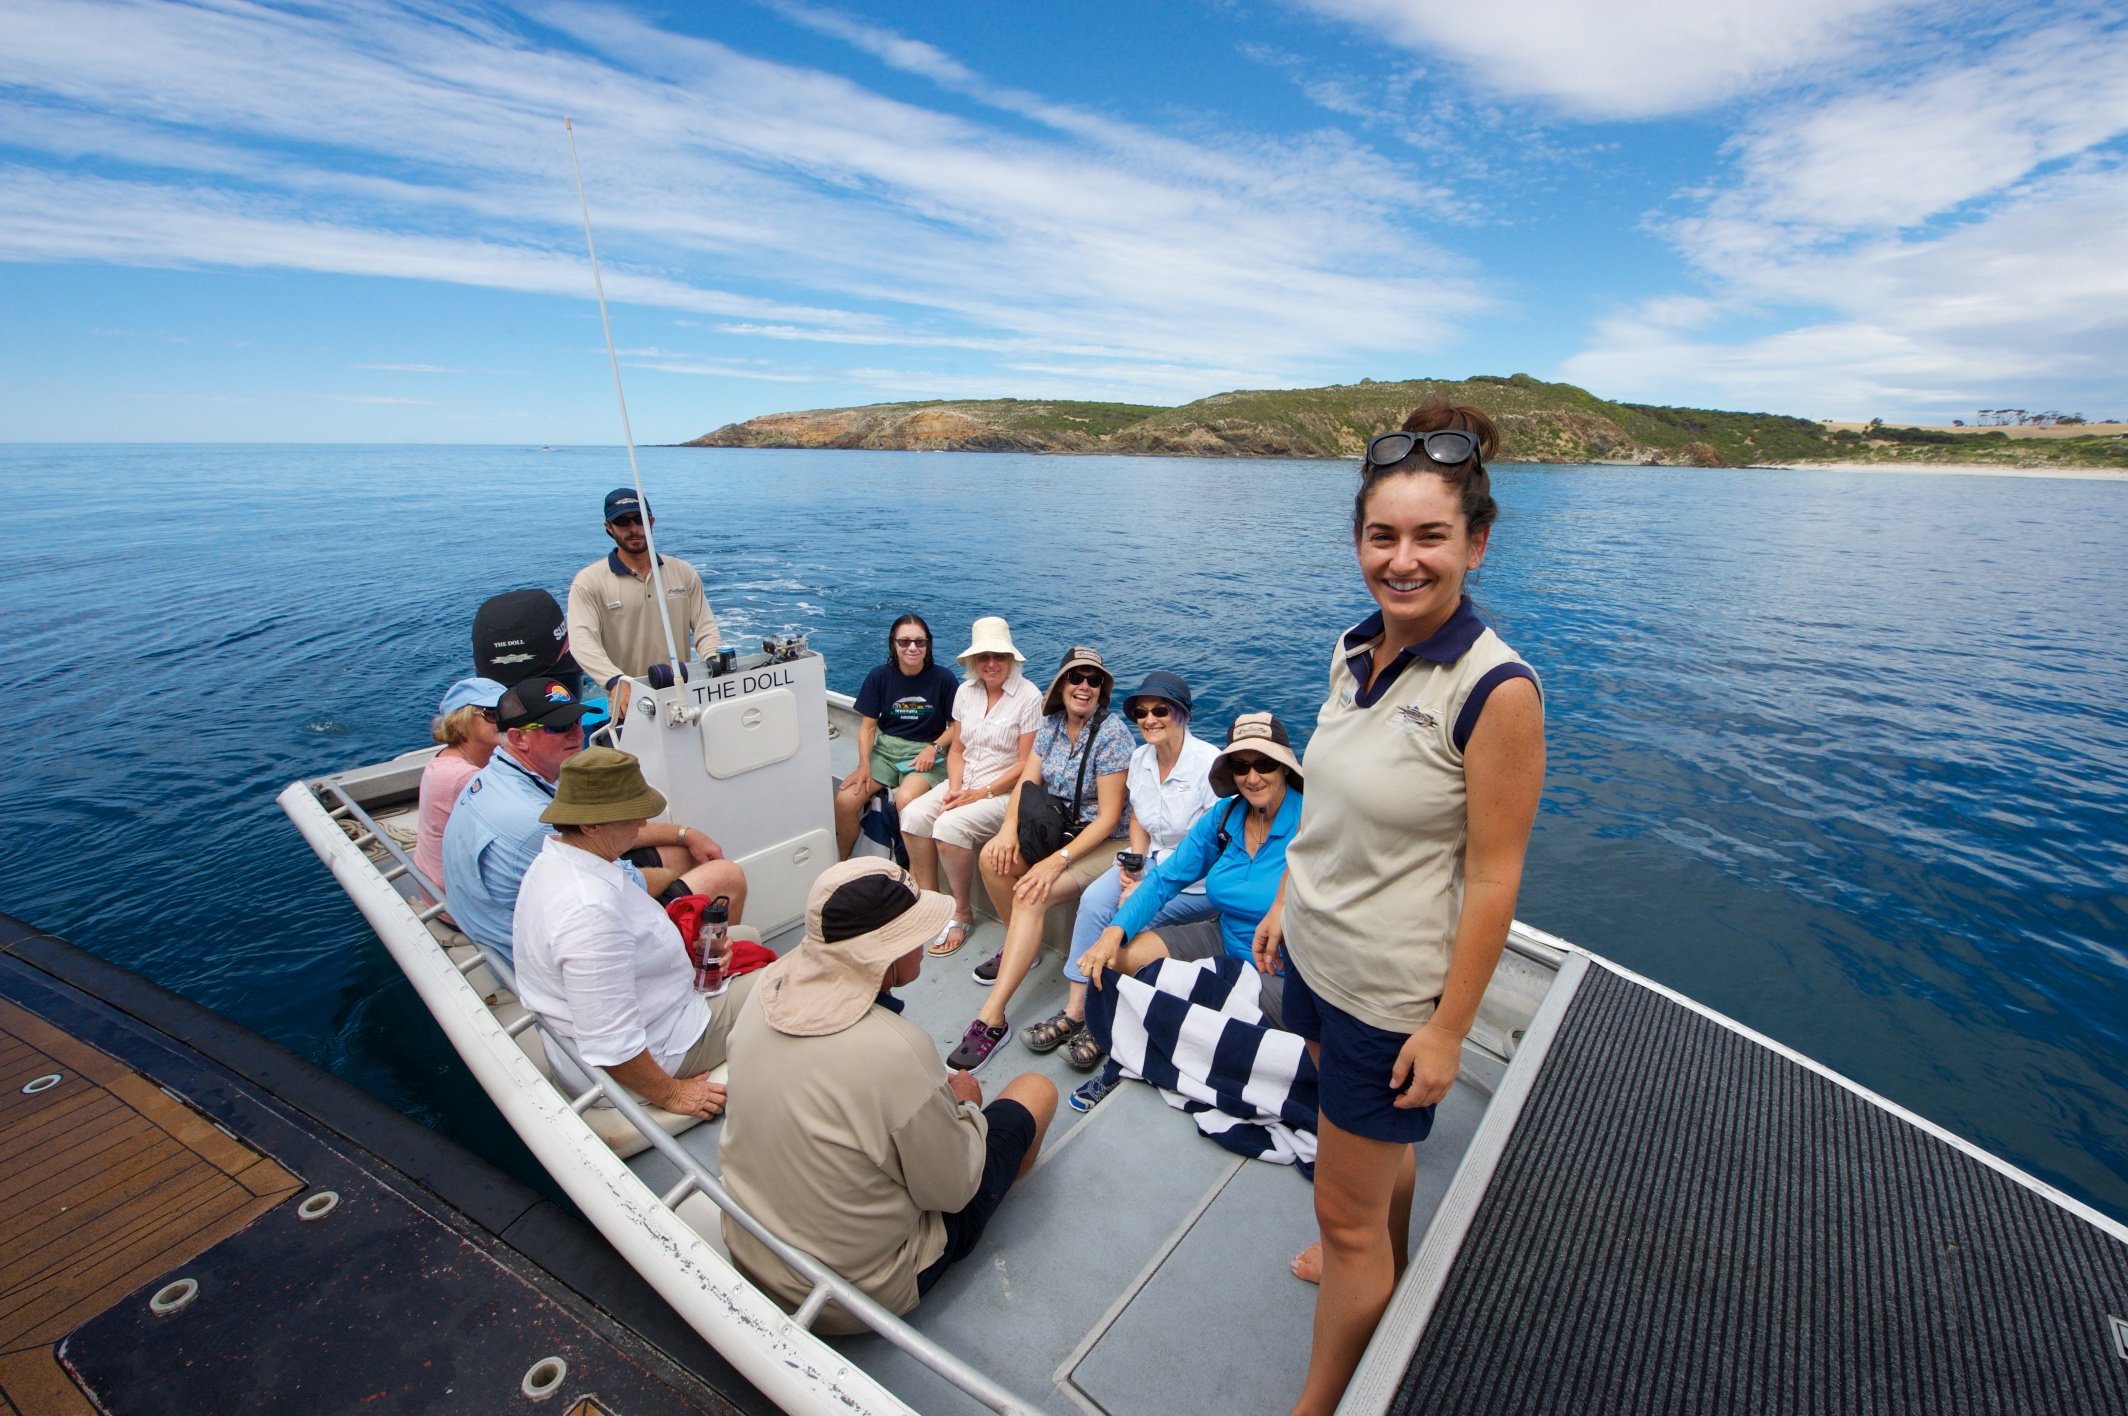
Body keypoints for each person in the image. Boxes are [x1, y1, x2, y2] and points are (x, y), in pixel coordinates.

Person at [1252, 404, 1544, 1416]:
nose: (1404, 561)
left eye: (1430, 537)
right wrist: (1290, 897)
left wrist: (1449, 1028)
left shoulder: (1493, 690)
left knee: (1341, 1225)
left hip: (1388, 995)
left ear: (1476, 543)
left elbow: (1496, 879)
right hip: (1318, 962)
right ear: (1358, 541)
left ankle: (1324, 1396)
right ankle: (1382, 1251)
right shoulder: (1353, 648)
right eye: (1383, 536)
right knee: (1369, 1189)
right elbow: (1330, 804)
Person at [718, 858, 1057, 1333]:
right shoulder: (897, 1049)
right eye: (914, 933)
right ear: (886, 954)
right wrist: (966, 1107)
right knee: (1035, 1092)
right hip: (851, 1295)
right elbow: (954, 1189)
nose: (923, 942)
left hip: (748, 1241)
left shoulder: (764, 989)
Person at [510, 747, 757, 1120]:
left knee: (747, 937)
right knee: (798, 979)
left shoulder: (559, 864)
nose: (643, 821)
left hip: (659, 1013)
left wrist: (689, 950)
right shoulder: (589, 912)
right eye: (632, 812)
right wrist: (672, 1093)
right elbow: (611, 1041)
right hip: (661, 1053)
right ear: (592, 825)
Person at [1071, 711, 1305, 1104]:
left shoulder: (1312, 821)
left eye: (1264, 764)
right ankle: (1126, 1052)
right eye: (1241, 766)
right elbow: (1166, 879)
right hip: (1223, 936)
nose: (1252, 777)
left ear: (1284, 766)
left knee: (1208, 1007)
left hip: (1283, 967)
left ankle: (1154, 1060)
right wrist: (1114, 932)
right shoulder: (1226, 816)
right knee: (1122, 957)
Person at [442, 675, 747, 963]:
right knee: (725, 877)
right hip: (527, 952)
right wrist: (670, 875)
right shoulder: (534, 821)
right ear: (518, 737)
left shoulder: (505, 776)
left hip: (511, 919)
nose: (577, 734)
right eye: (558, 727)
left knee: (683, 854)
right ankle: (706, 970)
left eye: (576, 721)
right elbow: (629, 885)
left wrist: (684, 834)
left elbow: (603, 830)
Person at [1024, 670, 1221, 1071]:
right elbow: (1138, 820)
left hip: (1194, 883)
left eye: (1161, 710)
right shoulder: (1140, 757)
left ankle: (1103, 1025)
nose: (1149, 719)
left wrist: (1147, 887)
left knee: (1128, 919)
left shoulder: (1209, 765)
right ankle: (1076, 1009)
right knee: (1095, 900)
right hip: (1150, 862)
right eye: (1142, 712)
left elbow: (1210, 848)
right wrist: (1136, 861)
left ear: (1182, 714)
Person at [949, 646, 1133, 1072]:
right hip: (1058, 828)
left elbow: (1107, 819)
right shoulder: (1049, 726)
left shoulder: (1112, 735)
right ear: (1061, 684)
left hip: (1098, 841)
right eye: (1076, 677)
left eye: (1093, 680)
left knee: (1031, 895)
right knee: (993, 860)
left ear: (1101, 690)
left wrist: (1057, 861)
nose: (1084, 686)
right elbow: (1026, 785)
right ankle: (1022, 946)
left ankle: (991, 1018)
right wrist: (1006, 832)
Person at [899, 617, 1042, 957]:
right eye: (984, 657)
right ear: (974, 662)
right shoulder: (966, 692)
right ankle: (933, 903)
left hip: (1005, 792)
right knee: (913, 814)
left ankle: (961, 912)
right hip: (965, 783)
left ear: (1011, 659)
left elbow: (1026, 763)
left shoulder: (1029, 696)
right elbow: (958, 749)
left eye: (999, 656)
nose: (991, 663)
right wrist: (956, 789)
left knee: (949, 825)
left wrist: (980, 794)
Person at [566, 488, 722, 721]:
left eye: (639, 519)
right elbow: (581, 641)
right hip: (629, 705)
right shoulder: (589, 582)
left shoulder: (682, 572)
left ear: (651, 521)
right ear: (609, 527)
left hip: (682, 696)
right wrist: (614, 681)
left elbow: (705, 626)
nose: (634, 529)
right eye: (623, 522)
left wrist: (713, 662)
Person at [833, 614, 961, 858]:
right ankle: (845, 860)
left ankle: (908, 867)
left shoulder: (943, 679)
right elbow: (868, 727)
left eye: (919, 642)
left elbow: (956, 726)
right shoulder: (879, 677)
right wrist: (863, 766)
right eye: (904, 642)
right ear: (893, 643)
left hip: (926, 753)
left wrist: (933, 748)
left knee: (906, 799)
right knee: (845, 801)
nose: (912, 648)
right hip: (886, 751)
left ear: (928, 644)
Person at [413, 676, 505, 893]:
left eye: (507, 712)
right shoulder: (464, 778)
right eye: (491, 714)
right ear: (459, 723)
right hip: (460, 900)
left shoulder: (445, 759)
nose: (504, 720)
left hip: (436, 885)